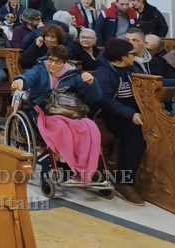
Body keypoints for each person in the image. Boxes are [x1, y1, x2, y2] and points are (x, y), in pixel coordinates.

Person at [10, 44, 102, 183]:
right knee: (60, 127)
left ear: (65, 63)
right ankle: (70, 166)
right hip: (44, 111)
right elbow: (28, 77)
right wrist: (20, 80)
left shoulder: (73, 74)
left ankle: (87, 169)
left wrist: (92, 83)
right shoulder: (39, 69)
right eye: (51, 60)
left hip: (69, 112)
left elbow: (96, 97)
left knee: (90, 127)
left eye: (58, 61)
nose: (52, 64)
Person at [94, 40, 151, 206]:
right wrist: (130, 114)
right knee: (135, 138)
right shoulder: (104, 72)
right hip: (110, 115)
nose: (135, 55)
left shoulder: (133, 68)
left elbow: (150, 82)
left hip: (135, 112)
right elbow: (103, 100)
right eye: (132, 53)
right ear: (123, 57)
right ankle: (124, 182)